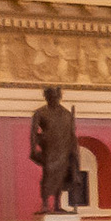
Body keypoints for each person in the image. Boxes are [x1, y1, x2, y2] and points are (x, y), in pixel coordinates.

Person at [28, 86, 78, 214]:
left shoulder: (67, 114)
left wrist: (74, 151)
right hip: (49, 149)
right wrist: (33, 149)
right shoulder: (40, 113)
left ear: (59, 97)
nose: (53, 99)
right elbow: (33, 132)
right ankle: (45, 204)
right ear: (46, 97)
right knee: (48, 175)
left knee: (61, 176)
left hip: (64, 149)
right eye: (50, 96)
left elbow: (72, 134)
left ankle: (57, 204)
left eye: (56, 96)